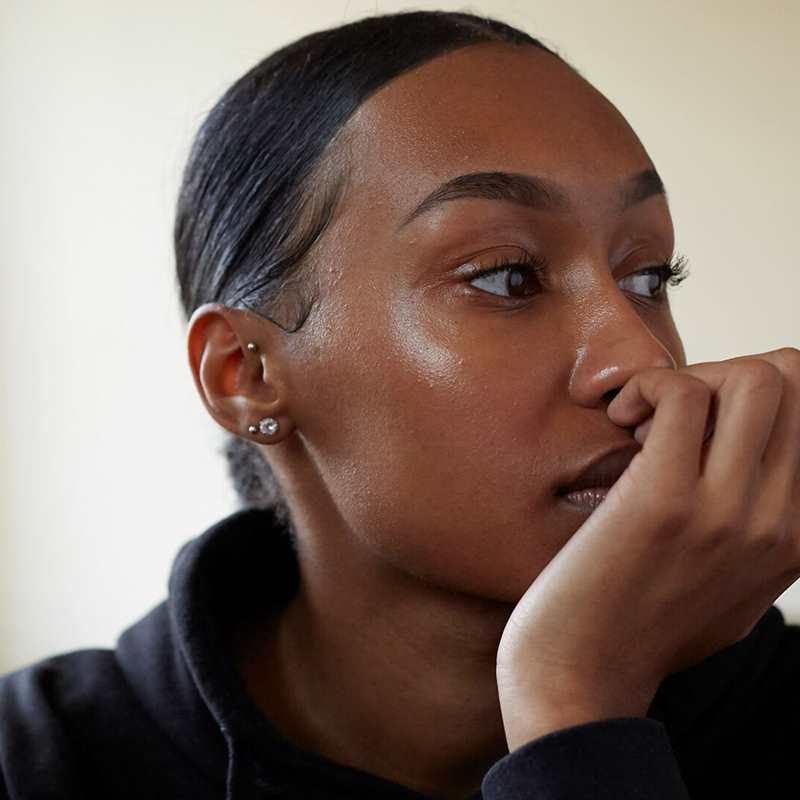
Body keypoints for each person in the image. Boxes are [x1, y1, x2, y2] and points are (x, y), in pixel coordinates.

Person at [1, 8, 799, 799]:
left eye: (648, 278)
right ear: (244, 372)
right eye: (506, 276)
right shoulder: (37, 765)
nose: (643, 359)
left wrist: (575, 708)